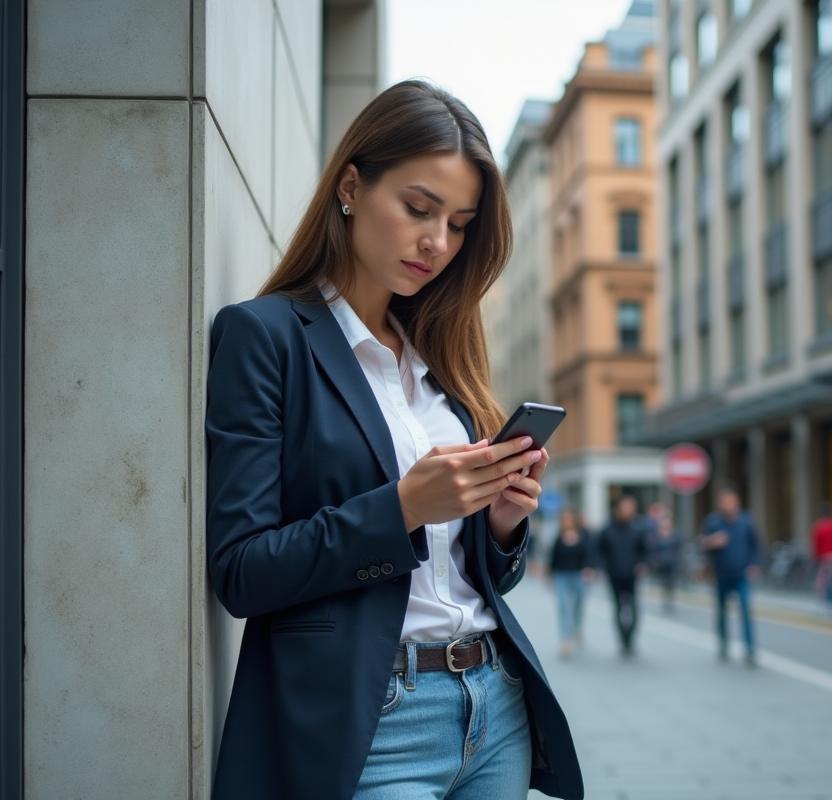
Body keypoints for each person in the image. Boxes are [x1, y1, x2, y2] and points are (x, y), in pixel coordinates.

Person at [205, 81, 582, 800]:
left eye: (461, 223)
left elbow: (476, 578)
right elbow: (242, 571)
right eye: (418, 208)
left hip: (493, 704)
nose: (437, 242)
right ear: (351, 186)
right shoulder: (267, 336)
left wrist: (500, 524)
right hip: (373, 720)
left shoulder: (440, 357)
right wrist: (403, 507)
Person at [700, 486, 762, 666]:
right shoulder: (713, 523)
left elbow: (756, 545)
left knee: (745, 607)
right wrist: (712, 542)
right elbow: (701, 544)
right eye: (724, 501)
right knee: (721, 610)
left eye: (730, 501)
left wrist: (754, 565)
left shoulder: (747, 521)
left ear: (737, 502)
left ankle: (750, 649)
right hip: (721, 573)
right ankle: (723, 643)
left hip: (741, 573)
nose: (727, 505)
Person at [595, 495, 649, 657]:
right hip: (614, 574)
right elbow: (599, 551)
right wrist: (600, 568)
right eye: (626, 507)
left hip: (632, 575)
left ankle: (630, 639)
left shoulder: (637, 529)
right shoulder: (607, 530)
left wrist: (643, 564)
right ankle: (623, 640)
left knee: (634, 608)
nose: (629, 511)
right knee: (618, 608)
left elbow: (644, 551)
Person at [548, 509, 595, 658]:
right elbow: (553, 557)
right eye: (564, 519)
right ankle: (565, 639)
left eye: (569, 518)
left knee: (578, 605)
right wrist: (548, 575)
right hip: (562, 576)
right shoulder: (559, 537)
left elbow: (589, 555)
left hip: (578, 575)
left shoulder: (583, 536)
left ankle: (577, 629)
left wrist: (589, 569)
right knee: (562, 605)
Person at [644, 503, 681, 612]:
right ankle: (665, 595)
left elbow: (679, 548)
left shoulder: (675, 535)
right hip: (661, 562)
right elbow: (652, 548)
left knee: (671, 581)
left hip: (672, 562)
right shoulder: (656, 535)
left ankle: (670, 595)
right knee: (663, 581)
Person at [811, 502, 832, 612]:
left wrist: (815, 558)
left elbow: (816, 545)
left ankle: (829, 601)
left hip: (824, 558)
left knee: (825, 581)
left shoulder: (819, 527)